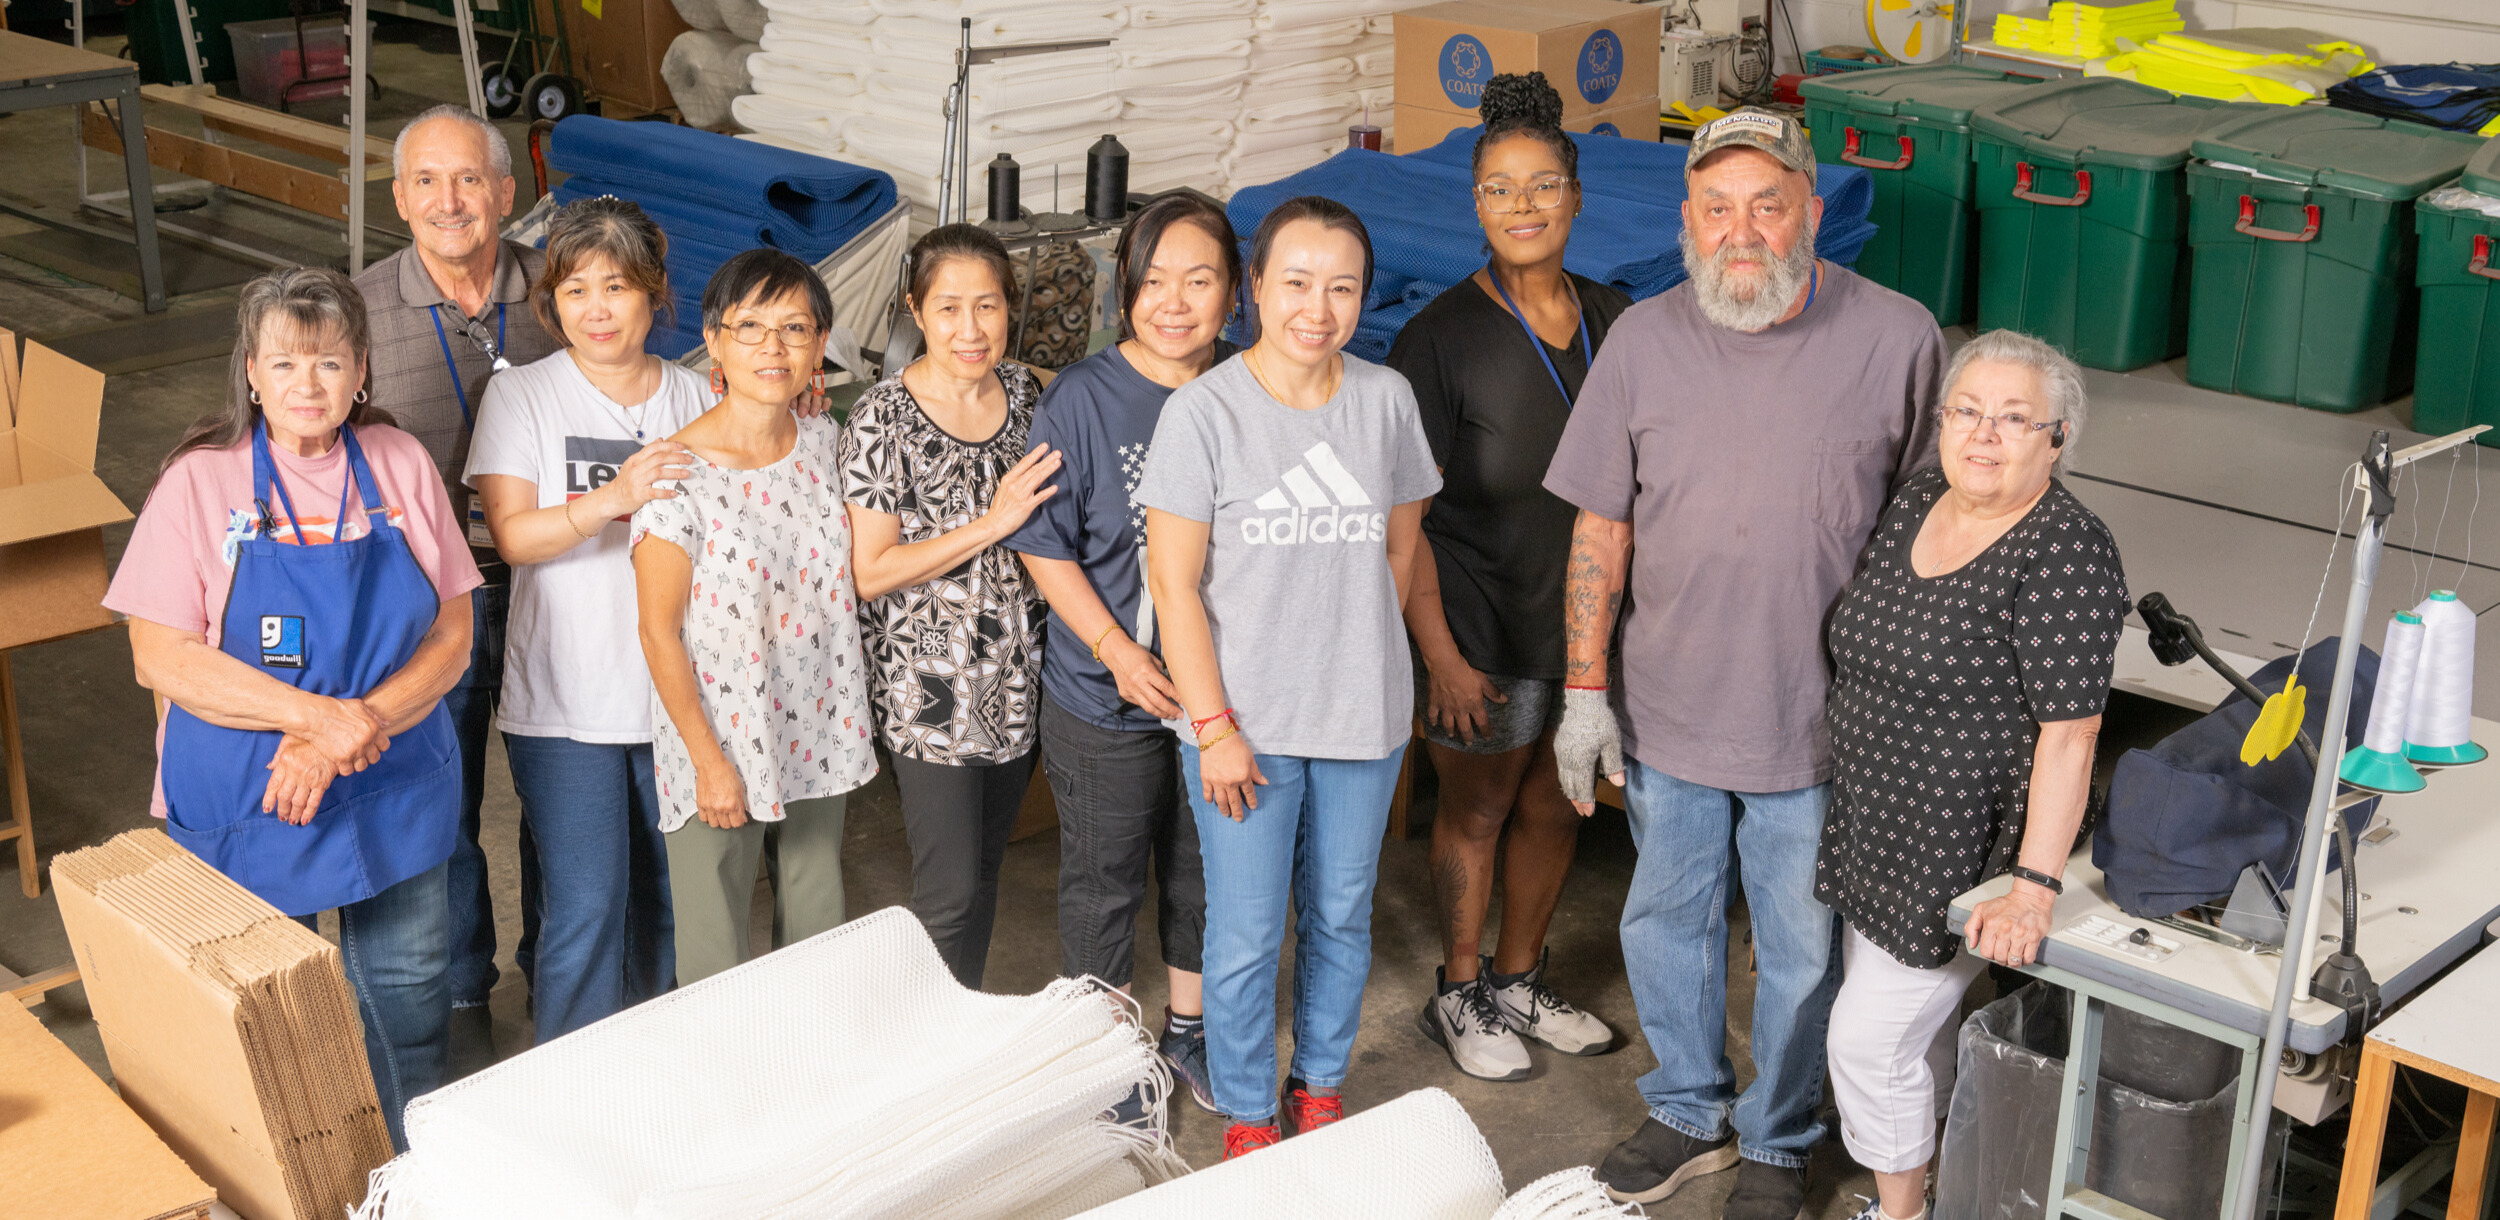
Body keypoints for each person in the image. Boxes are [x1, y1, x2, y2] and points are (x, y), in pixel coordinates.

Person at [1544, 109, 1946, 1213]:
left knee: (1802, 946)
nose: (1741, 230)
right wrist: (1584, 694)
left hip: (1819, 721)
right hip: (1668, 706)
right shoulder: (1643, 339)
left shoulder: (1899, 337)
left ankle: (1777, 1136)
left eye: (1766, 204)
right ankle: (1686, 1110)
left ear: (1809, 211)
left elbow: (1934, 536)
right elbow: (1599, 529)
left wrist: (1913, 712)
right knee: (1662, 919)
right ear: (1686, 222)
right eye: (1716, 208)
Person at [108, 267, 480, 1150]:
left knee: (409, 991)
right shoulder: (198, 484)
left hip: (390, 778)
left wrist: (350, 729)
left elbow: (454, 634)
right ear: (250, 374)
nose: (306, 386)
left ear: (361, 373)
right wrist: (316, 723)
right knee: (259, 1015)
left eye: (327, 363)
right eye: (284, 365)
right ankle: (282, 1186)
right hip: (248, 789)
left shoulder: (398, 464)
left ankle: (412, 1176)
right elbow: (160, 658)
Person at [1139, 196, 1441, 1159]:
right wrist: (1215, 726)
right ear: (1255, 289)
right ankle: (1247, 1111)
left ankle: (1317, 1088)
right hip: (1244, 729)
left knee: (1343, 915)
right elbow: (1174, 589)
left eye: (1342, 287)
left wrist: (1355, 660)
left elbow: (1401, 555)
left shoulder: (1386, 401)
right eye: (1296, 283)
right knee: (1245, 931)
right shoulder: (1204, 413)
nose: (1319, 307)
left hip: (1364, 719)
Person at [1819, 331, 2125, 1220]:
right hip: (1878, 822)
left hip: (1964, 846)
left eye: (2014, 419)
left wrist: (2033, 887)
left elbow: (2072, 735)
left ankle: (1901, 1213)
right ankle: (1950, 1186)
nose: (1984, 435)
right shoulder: (1920, 499)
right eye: (1967, 412)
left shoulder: (2064, 550)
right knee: (1914, 1039)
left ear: (2058, 438)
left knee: (1868, 1044)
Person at [1385, 71, 1623, 1083]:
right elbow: (1406, 519)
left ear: (1573, 196)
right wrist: (1437, 652)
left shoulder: (1618, 319)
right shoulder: (1437, 339)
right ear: (1474, 204)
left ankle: (1522, 978)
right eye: (1498, 188)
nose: (1522, 206)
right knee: (1476, 811)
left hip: (1580, 629)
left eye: (1540, 186)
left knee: (1554, 805)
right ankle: (1461, 985)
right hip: (1478, 620)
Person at [1006, 194, 1237, 1111]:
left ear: (1234, 292)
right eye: (1154, 281)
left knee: (1200, 868)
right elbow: (1042, 541)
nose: (1174, 302)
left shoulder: (1248, 390)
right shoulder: (1085, 397)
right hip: (1105, 695)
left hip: (1220, 694)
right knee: (1103, 879)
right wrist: (1116, 652)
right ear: (1125, 290)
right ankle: (1105, 1054)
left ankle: (1188, 1035)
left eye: (1199, 280)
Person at [462, 197, 705, 1038]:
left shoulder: (700, 396)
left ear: (655, 295)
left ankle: (660, 1074)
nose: (597, 309)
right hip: (565, 700)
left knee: (674, 905)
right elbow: (513, 538)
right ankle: (569, 1094)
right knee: (587, 907)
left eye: (618, 287)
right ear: (552, 303)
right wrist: (615, 497)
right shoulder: (523, 397)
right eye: (576, 291)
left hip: (681, 697)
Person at [357, 104, 562, 1062]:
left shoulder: (561, 293)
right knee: (446, 802)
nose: (450, 202)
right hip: (433, 604)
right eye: (428, 183)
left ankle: (561, 966)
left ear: (506, 193)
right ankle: (462, 988)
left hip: (563, 583)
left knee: (563, 791)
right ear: (399, 199)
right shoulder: (356, 313)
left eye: (470, 179)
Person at [635, 249, 881, 984]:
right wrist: (710, 764)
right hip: (720, 737)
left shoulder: (828, 443)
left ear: (819, 345)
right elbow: (658, 631)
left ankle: (806, 1082)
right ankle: (728, 1096)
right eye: (749, 327)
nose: (773, 348)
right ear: (712, 341)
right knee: (716, 956)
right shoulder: (674, 472)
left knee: (815, 930)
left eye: (794, 328)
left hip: (819, 719)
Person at [838, 223, 1059, 990]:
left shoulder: (1028, 394)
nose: (971, 329)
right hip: (928, 693)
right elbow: (871, 570)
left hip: (1017, 676)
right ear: (915, 310)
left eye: (988, 307)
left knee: (987, 872)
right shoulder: (881, 418)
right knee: (950, 890)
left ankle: (960, 1022)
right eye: (949, 308)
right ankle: (926, 1046)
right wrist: (991, 524)